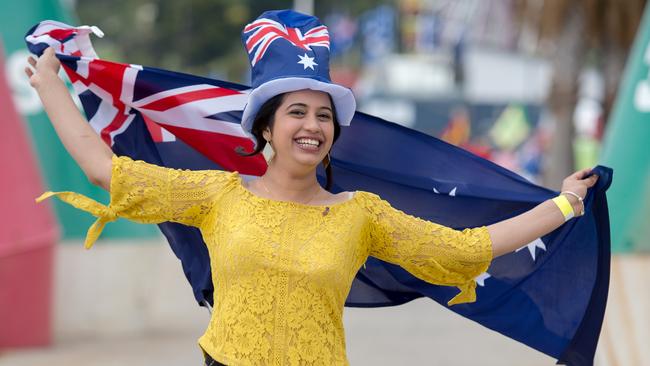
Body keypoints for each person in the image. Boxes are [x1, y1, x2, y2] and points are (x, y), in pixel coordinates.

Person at [25, 10, 598, 366]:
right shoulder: (218, 194)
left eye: (324, 116)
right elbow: (107, 172)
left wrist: (565, 202)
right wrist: (50, 84)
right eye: (296, 112)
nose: (313, 125)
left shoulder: (361, 214)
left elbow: (464, 250)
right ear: (266, 128)